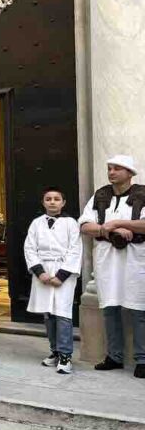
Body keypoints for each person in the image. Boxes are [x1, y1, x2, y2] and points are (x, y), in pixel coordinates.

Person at [78, 155, 145, 378]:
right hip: (107, 258)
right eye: (109, 168)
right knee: (110, 308)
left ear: (129, 173)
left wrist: (118, 222)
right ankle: (114, 356)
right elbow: (86, 225)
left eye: (117, 168)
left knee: (138, 309)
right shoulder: (101, 195)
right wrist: (111, 231)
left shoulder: (142, 194)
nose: (111, 172)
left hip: (135, 259)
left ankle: (142, 359)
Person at [24, 187, 82, 374]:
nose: (52, 202)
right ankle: (55, 351)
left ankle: (66, 355)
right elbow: (30, 248)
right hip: (43, 271)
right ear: (43, 202)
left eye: (57, 199)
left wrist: (61, 276)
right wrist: (40, 272)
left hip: (63, 271)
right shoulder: (36, 223)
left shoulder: (71, 223)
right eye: (48, 198)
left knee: (62, 313)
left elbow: (75, 250)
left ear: (63, 203)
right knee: (48, 313)